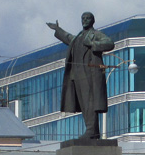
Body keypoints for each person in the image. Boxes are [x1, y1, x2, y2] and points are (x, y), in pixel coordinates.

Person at [46, 12, 114, 140]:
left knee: (90, 103)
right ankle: (93, 131)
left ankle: (91, 130)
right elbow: (68, 38)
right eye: (83, 18)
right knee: (84, 104)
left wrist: (93, 45)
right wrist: (57, 29)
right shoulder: (78, 36)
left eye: (87, 18)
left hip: (90, 73)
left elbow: (110, 43)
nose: (84, 20)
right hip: (77, 74)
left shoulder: (95, 34)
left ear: (93, 21)